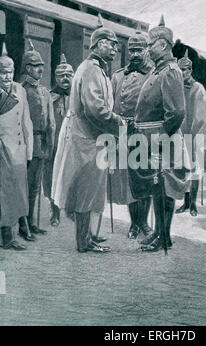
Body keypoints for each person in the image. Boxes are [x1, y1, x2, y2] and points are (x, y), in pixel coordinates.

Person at [52, 18, 125, 253]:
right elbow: (96, 109)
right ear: (99, 44)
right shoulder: (91, 70)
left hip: (91, 139)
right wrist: (119, 122)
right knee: (85, 191)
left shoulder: (96, 69)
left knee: (91, 191)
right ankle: (83, 241)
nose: (115, 49)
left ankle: (89, 235)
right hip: (86, 140)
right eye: (112, 45)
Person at [128, 15, 187, 252]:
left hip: (162, 141)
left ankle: (164, 237)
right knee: (156, 187)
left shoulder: (170, 71)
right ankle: (160, 233)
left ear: (162, 45)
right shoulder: (158, 70)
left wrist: (160, 139)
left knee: (164, 188)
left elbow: (176, 112)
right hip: (150, 139)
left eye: (151, 44)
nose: (148, 49)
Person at [110, 28, 153, 239]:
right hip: (123, 133)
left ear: (148, 50)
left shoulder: (155, 75)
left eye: (139, 50)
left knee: (145, 178)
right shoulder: (117, 77)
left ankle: (144, 222)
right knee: (128, 180)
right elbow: (110, 106)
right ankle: (134, 223)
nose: (135, 54)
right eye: (132, 50)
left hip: (146, 134)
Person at [0, 43, 33, 250]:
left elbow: (26, 121)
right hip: (2, 149)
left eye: (10, 72)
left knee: (18, 194)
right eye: (3, 73)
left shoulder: (20, 90)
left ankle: (13, 233)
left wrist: (29, 150)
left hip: (18, 150)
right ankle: (6, 238)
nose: (7, 76)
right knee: (3, 194)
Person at [21, 40, 55, 235]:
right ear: (27, 68)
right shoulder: (21, 90)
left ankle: (31, 223)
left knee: (35, 188)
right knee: (25, 186)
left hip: (41, 144)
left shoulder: (44, 92)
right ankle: (23, 224)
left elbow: (50, 123)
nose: (40, 69)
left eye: (41, 66)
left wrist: (49, 145)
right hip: (27, 144)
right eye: (35, 66)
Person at [175, 49, 206, 216]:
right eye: (179, 69)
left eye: (184, 70)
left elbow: (203, 117)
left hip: (195, 136)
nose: (182, 73)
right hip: (180, 136)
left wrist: (196, 138)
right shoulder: (175, 88)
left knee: (195, 170)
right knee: (183, 170)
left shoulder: (198, 89)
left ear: (190, 70)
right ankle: (186, 202)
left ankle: (194, 204)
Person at [43, 54, 74, 227]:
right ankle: (54, 211)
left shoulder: (78, 97)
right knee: (51, 179)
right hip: (53, 145)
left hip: (72, 145)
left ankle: (71, 209)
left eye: (68, 74)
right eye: (61, 75)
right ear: (55, 77)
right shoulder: (49, 96)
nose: (65, 78)